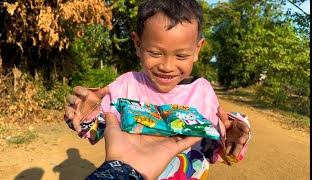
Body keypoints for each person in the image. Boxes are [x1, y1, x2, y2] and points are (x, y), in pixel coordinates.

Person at [64, 0, 251, 179]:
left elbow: (212, 152)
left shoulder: (201, 92)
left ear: (197, 50)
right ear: (138, 44)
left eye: (181, 55)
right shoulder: (126, 86)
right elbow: (97, 129)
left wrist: (228, 139)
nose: (167, 66)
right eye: (155, 53)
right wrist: (87, 112)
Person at [86, 112, 203, 180]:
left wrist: (120, 167)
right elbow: (92, 131)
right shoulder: (125, 83)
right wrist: (89, 115)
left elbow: (213, 150)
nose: (167, 67)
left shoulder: (203, 90)